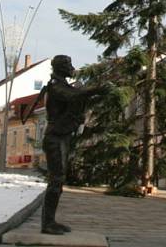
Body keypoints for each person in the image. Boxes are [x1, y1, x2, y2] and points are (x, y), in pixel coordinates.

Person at [21, 54, 108, 235]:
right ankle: (47, 223)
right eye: (68, 64)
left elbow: (76, 97)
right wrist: (98, 89)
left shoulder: (62, 85)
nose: (71, 67)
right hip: (55, 138)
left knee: (58, 180)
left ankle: (50, 221)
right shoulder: (55, 87)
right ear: (60, 67)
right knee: (56, 180)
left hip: (63, 136)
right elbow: (73, 96)